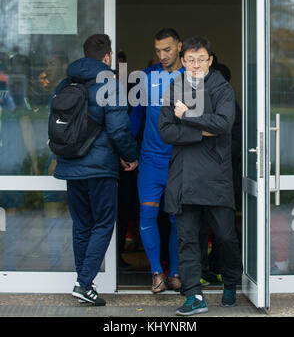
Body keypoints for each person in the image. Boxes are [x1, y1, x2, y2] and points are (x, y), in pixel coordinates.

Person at [158, 36, 243, 315]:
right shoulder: (175, 87)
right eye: (190, 59)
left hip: (216, 176)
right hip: (183, 176)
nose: (195, 64)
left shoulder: (221, 87)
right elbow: (166, 131)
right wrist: (201, 131)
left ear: (210, 61)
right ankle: (194, 294)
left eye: (201, 59)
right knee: (187, 239)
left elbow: (223, 123)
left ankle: (230, 282)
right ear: (183, 61)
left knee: (225, 237)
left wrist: (188, 117)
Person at [53, 34, 139, 306]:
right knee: (103, 223)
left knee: (82, 226)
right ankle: (84, 282)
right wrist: (130, 156)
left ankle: (84, 283)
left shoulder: (66, 82)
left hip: (71, 165)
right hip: (100, 168)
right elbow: (117, 128)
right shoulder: (109, 83)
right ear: (106, 57)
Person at [130, 28, 184, 293]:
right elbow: (136, 116)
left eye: (167, 49)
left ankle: (174, 273)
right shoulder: (147, 76)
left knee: (176, 219)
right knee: (147, 213)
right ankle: (156, 273)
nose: (162, 55)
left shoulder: (192, 76)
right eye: (158, 51)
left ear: (179, 47)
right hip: (150, 159)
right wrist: (128, 150)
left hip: (179, 161)